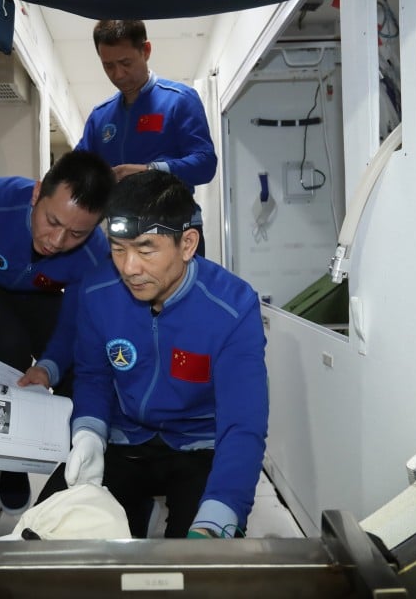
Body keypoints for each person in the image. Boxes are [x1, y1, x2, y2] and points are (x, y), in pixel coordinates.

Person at [38, 170, 269, 538]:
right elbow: (94, 375)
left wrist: (220, 511)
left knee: (196, 571)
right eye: (117, 248)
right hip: (124, 438)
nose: (130, 268)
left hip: (201, 446)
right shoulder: (97, 291)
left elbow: (242, 424)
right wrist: (89, 433)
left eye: (145, 248)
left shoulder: (232, 308)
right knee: (50, 538)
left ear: (188, 244)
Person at [0, 149, 115, 512]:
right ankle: (9, 465)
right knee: (10, 345)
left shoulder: (94, 252)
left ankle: (70, 476)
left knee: (79, 363)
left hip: (35, 292)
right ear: (36, 194)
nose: (57, 241)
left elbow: (73, 323)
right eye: (51, 221)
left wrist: (49, 366)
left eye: (76, 233)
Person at [75, 19, 217, 256]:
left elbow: (206, 164)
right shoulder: (100, 117)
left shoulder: (180, 100)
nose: (118, 74)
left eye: (125, 62)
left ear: (146, 50)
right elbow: (77, 169)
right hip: (123, 237)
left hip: (176, 232)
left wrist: (151, 170)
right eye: (108, 66)